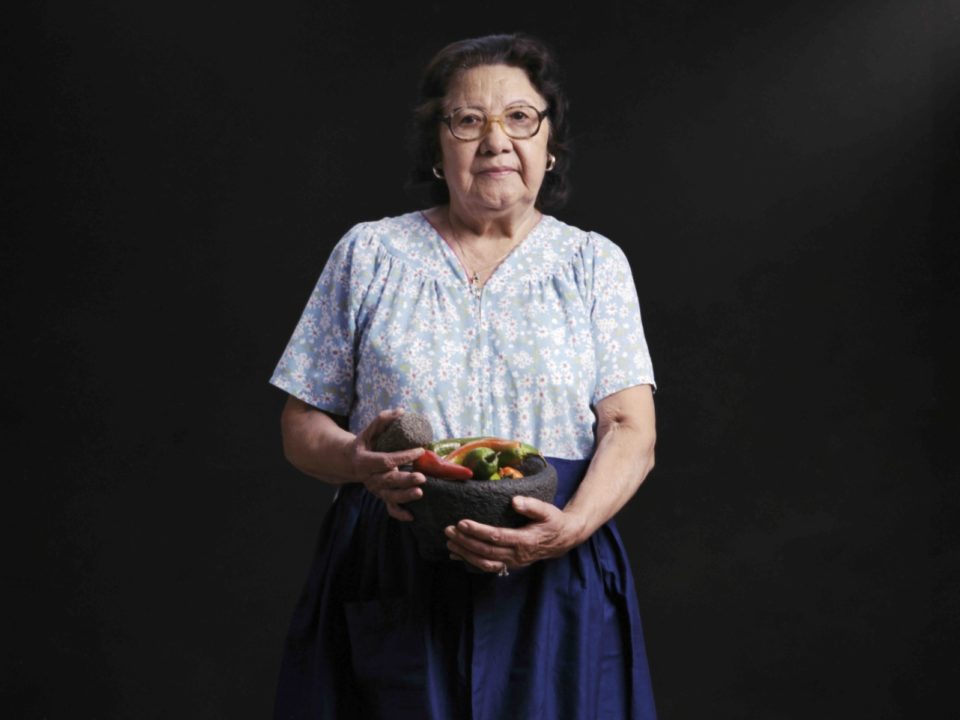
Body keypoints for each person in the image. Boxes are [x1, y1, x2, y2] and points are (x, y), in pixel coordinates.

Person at [270, 33, 658, 720]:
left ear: (550, 145)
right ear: (436, 146)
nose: (495, 140)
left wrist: (564, 532)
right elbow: (302, 426)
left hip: (552, 570)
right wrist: (357, 460)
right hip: (393, 560)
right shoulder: (370, 253)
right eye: (467, 120)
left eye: (520, 118)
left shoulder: (595, 265)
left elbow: (631, 429)